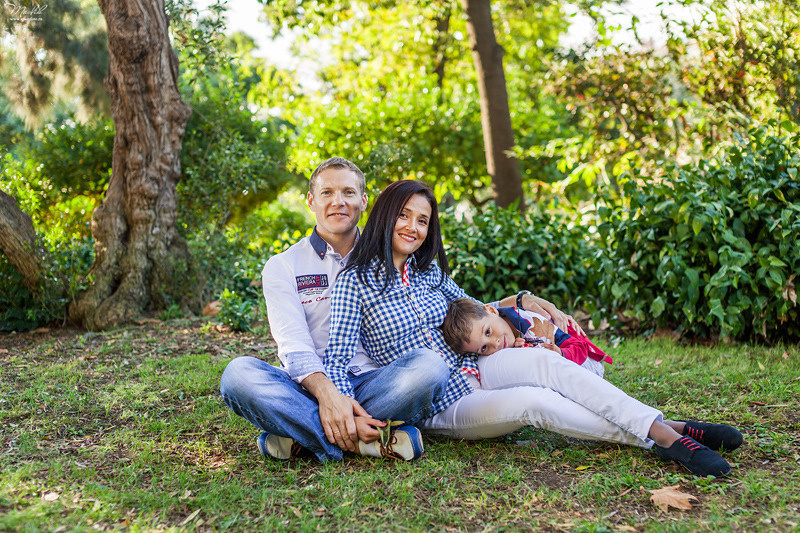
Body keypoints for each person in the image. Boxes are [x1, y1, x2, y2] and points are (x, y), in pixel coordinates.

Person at [324, 179, 742, 477]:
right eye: (404, 216)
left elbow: (478, 308)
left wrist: (523, 301)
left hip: (475, 365)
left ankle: (663, 428)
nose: (413, 228)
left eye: (422, 220)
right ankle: (665, 438)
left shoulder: (428, 272)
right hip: (440, 402)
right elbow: (338, 359)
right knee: (534, 402)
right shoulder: (354, 281)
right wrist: (347, 412)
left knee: (546, 364)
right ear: (384, 216)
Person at [219, 158, 451, 462]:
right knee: (238, 375)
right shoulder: (283, 267)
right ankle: (358, 440)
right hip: (308, 388)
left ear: (364, 202)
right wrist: (330, 396)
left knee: (430, 368)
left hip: (377, 384)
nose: (338, 202)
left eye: (349, 193)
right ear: (311, 201)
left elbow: (451, 296)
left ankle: (303, 435)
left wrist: (517, 305)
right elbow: (293, 345)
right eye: (327, 193)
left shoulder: (390, 253)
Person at [441, 298, 610, 377]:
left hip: (587, 362)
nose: (495, 343)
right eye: (484, 348)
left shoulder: (533, 321)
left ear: (492, 310)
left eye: (488, 332)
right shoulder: (508, 336)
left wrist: (561, 354)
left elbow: (579, 346)